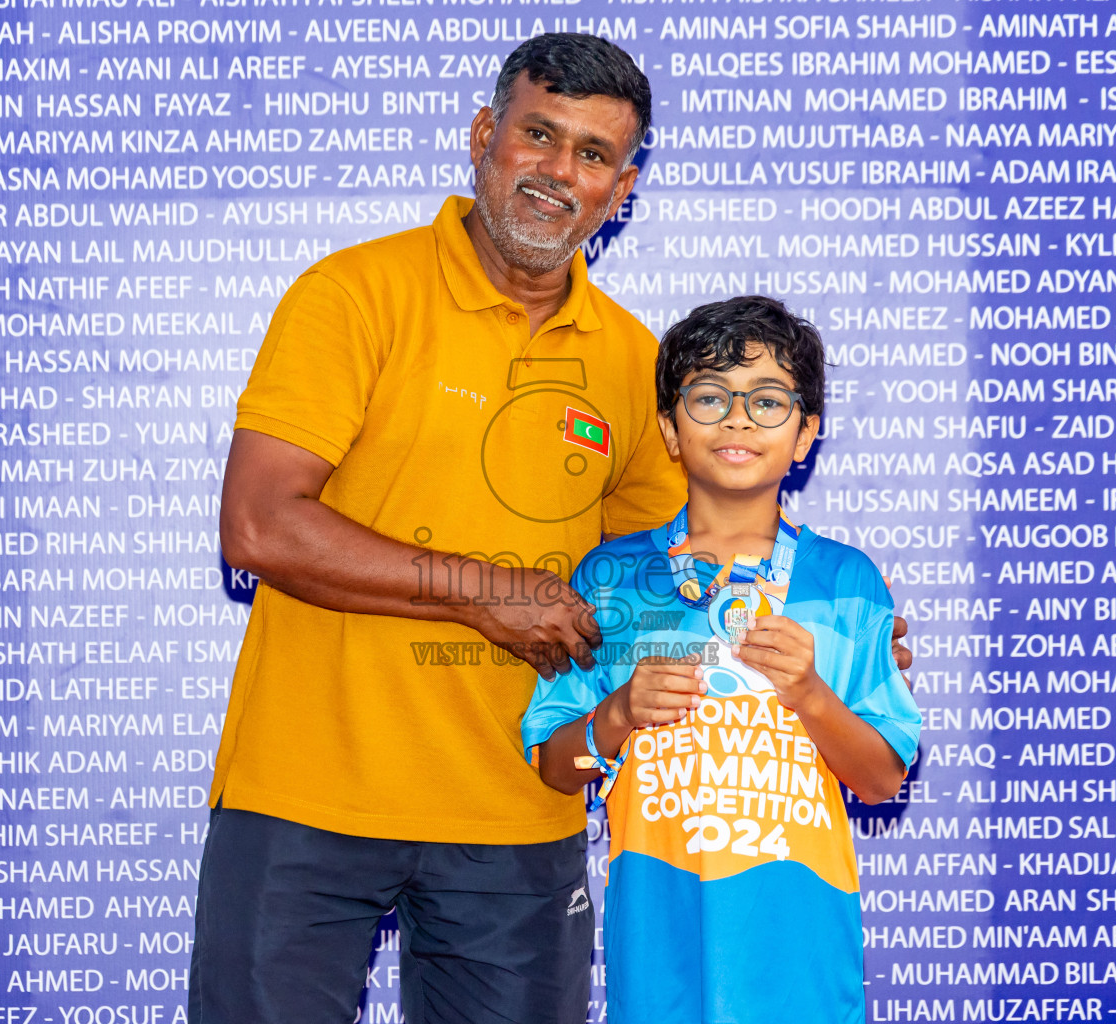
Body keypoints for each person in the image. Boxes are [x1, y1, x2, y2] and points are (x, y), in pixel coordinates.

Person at [193, 32, 914, 1024]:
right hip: (308, 798)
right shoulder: (354, 294)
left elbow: (678, 575)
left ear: (621, 188)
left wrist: (845, 626)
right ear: (487, 135)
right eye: (538, 135)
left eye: (590, 155)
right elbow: (260, 527)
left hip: (517, 819)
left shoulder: (632, 361)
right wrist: (489, 593)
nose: (556, 172)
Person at [522, 296, 922, 1024]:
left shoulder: (848, 583)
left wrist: (810, 695)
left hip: (800, 944)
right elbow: (557, 767)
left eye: (768, 400)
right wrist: (614, 717)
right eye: (709, 397)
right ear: (671, 430)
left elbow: (882, 777)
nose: (738, 418)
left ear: (806, 435)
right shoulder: (611, 580)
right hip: (660, 937)